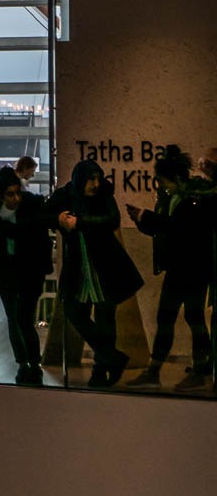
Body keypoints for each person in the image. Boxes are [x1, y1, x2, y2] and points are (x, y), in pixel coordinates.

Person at [124, 148, 215, 390]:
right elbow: (167, 228)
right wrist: (142, 220)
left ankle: (198, 370)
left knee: (192, 317)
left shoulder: (196, 199)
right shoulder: (176, 197)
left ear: (176, 179)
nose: (162, 186)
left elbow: (178, 228)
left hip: (194, 269)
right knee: (168, 317)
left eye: (164, 182)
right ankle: (156, 371)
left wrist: (146, 216)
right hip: (179, 268)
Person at [47, 161, 144, 387]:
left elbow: (112, 220)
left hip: (105, 265)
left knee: (105, 317)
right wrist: (59, 220)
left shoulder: (104, 194)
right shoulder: (65, 195)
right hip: (79, 267)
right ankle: (112, 358)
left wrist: (79, 222)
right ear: (80, 179)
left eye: (98, 178)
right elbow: (46, 214)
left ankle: (101, 370)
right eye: (91, 179)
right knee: (74, 311)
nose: (96, 184)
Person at [0, 167, 53, 385]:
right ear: (1, 195)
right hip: (6, 272)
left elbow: (21, 230)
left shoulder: (28, 210)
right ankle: (24, 362)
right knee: (14, 318)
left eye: (17, 193)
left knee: (23, 318)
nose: (15, 198)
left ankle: (32, 362)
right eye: (10, 194)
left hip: (29, 272)